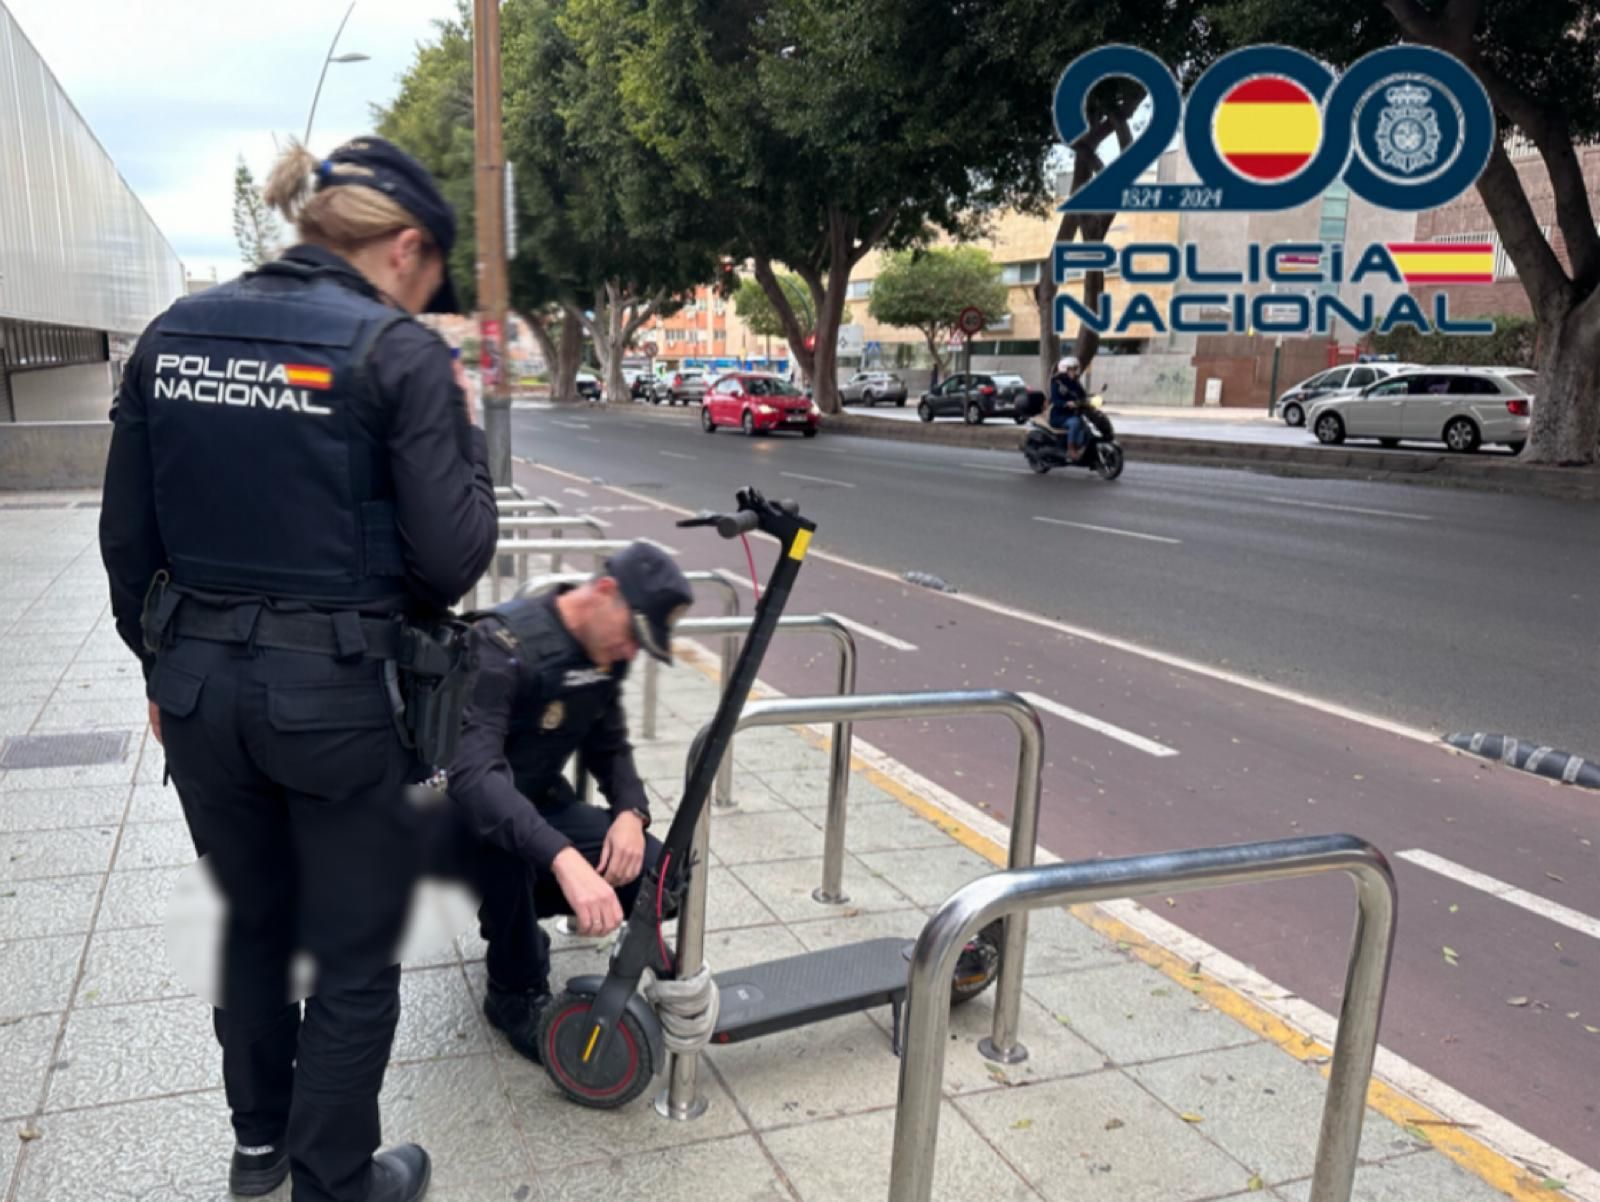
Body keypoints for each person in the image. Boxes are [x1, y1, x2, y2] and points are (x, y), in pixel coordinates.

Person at [99, 135, 499, 1202]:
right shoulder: (398, 354)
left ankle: (258, 1142)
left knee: (253, 919)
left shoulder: (171, 335)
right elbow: (451, 558)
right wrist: (460, 424)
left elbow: (127, 542)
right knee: (357, 949)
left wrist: (161, 668)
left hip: (196, 689)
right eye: (430, 278)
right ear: (406, 245)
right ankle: (335, 1180)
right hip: (336, 702)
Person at [443, 543, 694, 1063]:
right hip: (461, 822)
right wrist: (563, 859)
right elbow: (474, 779)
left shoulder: (604, 654)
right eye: (631, 635)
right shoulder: (498, 645)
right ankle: (513, 992)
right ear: (605, 593)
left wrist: (631, 812)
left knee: (660, 873)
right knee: (509, 849)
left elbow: (610, 747)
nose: (631, 652)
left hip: (538, 804)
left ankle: (539, 913)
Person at [1048, 355, 1089, 462]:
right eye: (1072, 369)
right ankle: (1071, 449)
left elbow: (1082, 395)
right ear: (1065, 369)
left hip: (1072, 414)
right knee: (1075, 422)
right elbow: (1055, 401)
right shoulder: (1057, 383)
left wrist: (1089, 399)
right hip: (1058, 416)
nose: (1075, 372)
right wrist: (1066, 403)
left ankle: (1083, 448)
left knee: (1085, 426)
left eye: (1075, 369)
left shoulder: (1075, 382)